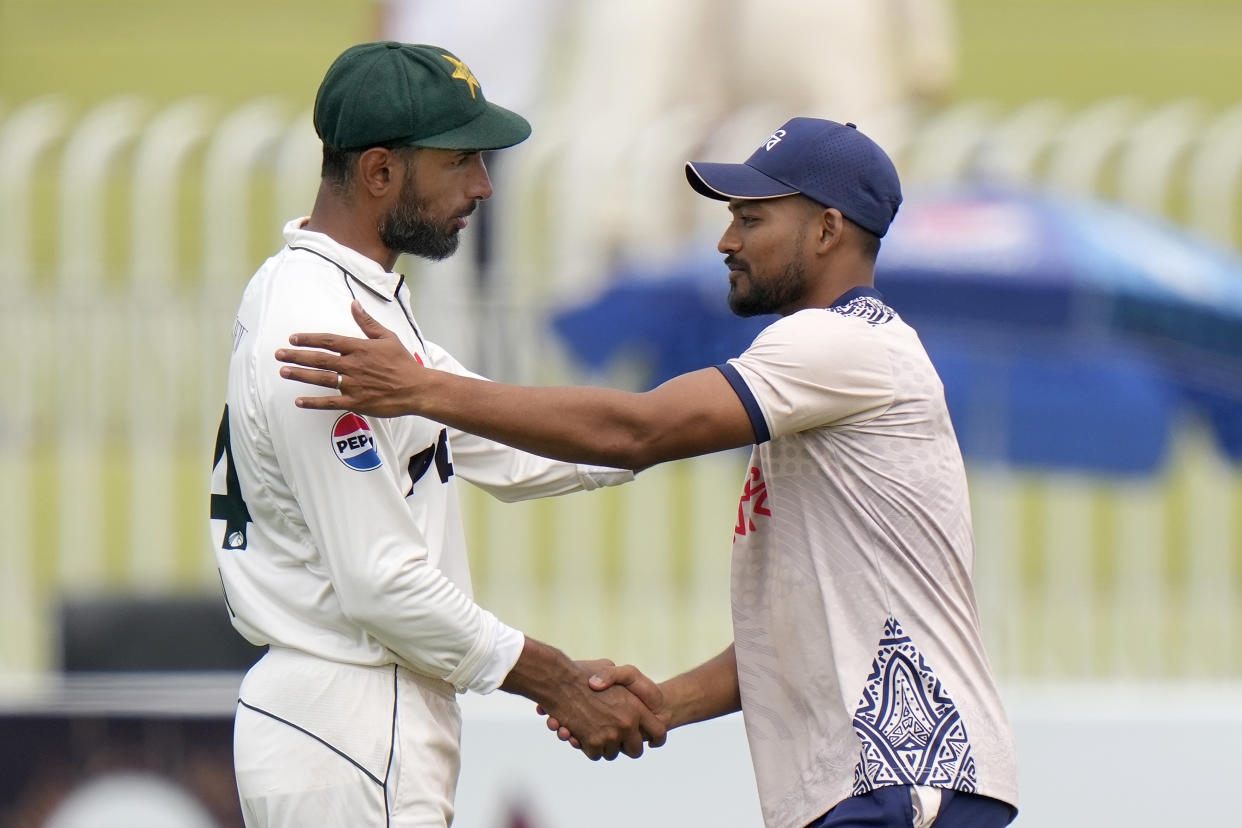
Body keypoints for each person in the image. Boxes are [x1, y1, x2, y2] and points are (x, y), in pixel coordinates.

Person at [276, 117, 1020, 827]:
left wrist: (420, 389)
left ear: (827, 229)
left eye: (753, 220)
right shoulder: (822, 367)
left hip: (903, 768)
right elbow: (797, 631)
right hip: (884, 780)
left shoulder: (838, 348)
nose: (727, 240)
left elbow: (639, 430)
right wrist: (662, 702)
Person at [209, 41, 666, 828]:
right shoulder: (319, 324)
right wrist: (554, 680)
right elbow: (381, 584)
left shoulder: (346, 292)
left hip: (353, 725)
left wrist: (686, 426)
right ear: (380, 171)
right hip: (350, 725)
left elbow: (501, 439)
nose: (485, 186)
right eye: (461, 161)